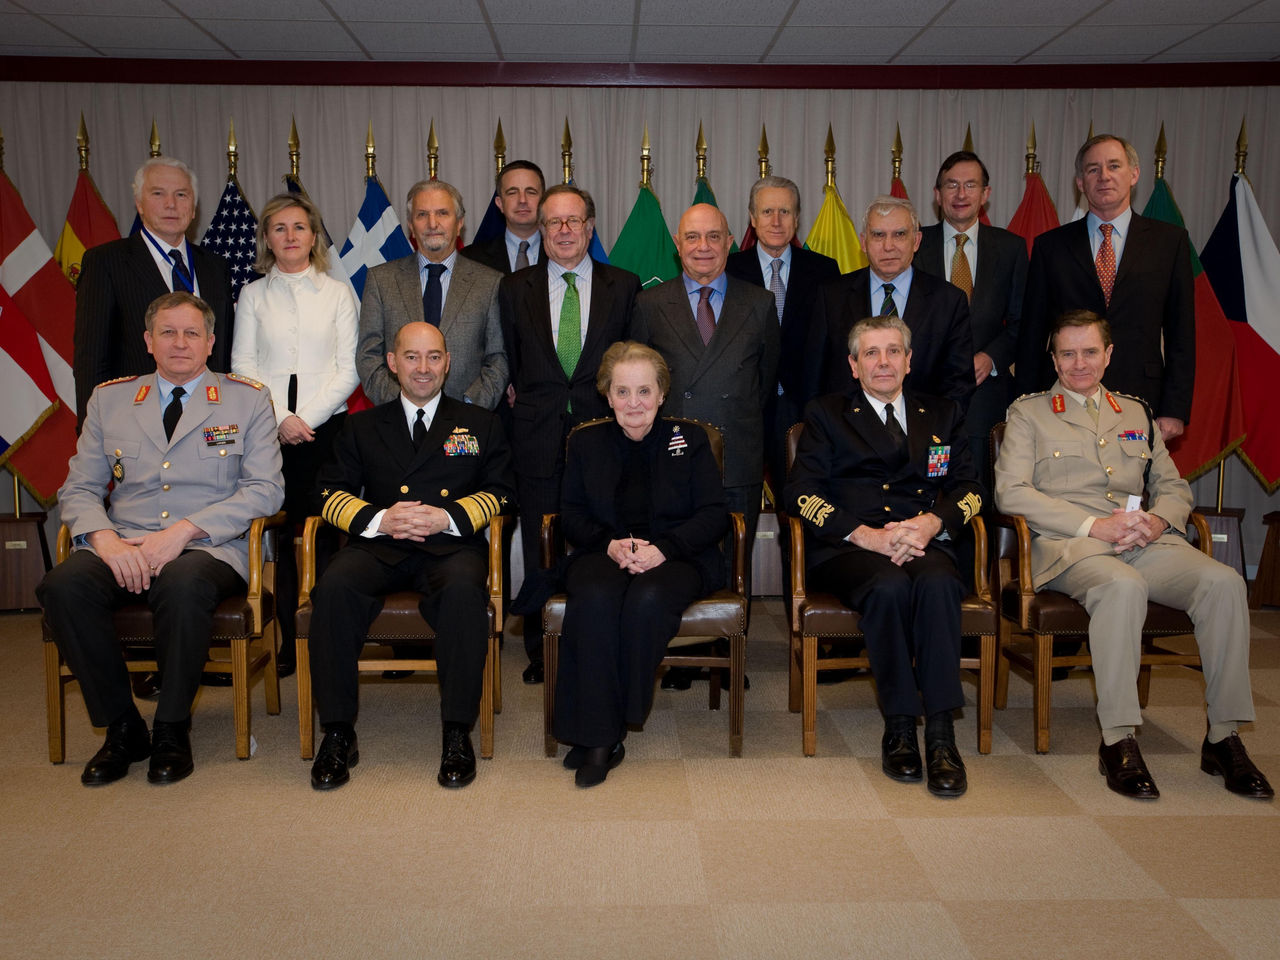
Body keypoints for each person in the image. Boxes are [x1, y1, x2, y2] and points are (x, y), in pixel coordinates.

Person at [995, 310, 1271, 800]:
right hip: (1073, 546)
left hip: (1143, 540)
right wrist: (1094, 525)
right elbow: (1011, 493)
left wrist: (1159, 521)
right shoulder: (1029, 413)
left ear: (1109, 354)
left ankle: (1223, 736)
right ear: (1053, 357)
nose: (1079, 363)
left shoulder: (1136, 412)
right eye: (1067, 353)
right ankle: (1118, 738)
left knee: (1225, 583)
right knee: (1123, 588)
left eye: (1089, 352)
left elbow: (1172, 486)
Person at [37, 292, 284, 787]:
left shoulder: (247, 398)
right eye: (168, 332)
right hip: (121, 541)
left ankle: (172, 727)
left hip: (208, 546)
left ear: (211, 342)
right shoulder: (110, 399)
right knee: (62, 586)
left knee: (184, 582)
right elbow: (80, 488)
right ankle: (124, 728)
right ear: (148, 342)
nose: (180, 343)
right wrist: (104, 540)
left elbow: (266, 489)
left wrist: (184, 532)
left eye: (192, 333)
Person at [306, 322, 515, 791]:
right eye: (413, 357)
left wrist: (448, 517)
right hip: (379, 544)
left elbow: (503, 492)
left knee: (464, 592)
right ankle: (338, 732)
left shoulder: (480, 422)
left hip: (450, 545)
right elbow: (326, 491)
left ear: (448, 362)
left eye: (434, 357)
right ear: (393, 364)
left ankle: (457, 731)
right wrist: (380, 519)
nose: (424, 368)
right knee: (335, 587)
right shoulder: (360, 425)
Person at [786, 315, 983, 797]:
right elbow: (799, 493)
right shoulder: (826, 413)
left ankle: (940, 732)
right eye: (870, 353)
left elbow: (973, 488)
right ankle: (899, 724)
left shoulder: (942, 413)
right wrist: (864, 535)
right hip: (852, 548)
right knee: (888, 586)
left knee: (938, 583)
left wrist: (932, 523)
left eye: (893, 351)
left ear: (909, 360)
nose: (883, 362)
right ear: (853, 366)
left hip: (922, 540)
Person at [555, 342, 728, 787]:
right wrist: (609, 544)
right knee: (593, 598)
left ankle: (608, 727)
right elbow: (570, 514)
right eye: (623, 391)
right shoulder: (586, 441)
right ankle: (600, 735)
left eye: (644, 391)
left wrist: (664, 548)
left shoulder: (689, 440)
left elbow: (714, 514)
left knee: (647, 599)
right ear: (607, 396)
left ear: (662, 394)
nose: (634, 403)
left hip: (677, 554)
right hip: (604, 551)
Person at [498, 184, 640, 684]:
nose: (563, 231)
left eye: (573, 221)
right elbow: (512, 362)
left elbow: (631, 363)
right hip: (535, 434)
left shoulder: (623, 285)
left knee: (600, 536)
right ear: (541, 229)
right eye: (553, 222)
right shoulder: (515, 288)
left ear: (590, 226)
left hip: (602, 436)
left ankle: (599, 636)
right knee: (542, 540)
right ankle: (542, 650)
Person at [230, 193, 358, 678]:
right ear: (266, 238)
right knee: (282, 541)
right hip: (268, 433)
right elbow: (242, 365)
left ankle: (328, 634)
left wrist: (308, 418)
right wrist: (281, 417)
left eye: (299, 227)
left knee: (326, 538)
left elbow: (349, 369)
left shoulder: (338, 293)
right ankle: (288, 641)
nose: (289, 236)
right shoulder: (253, 294)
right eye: (279, 228)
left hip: (327, 433)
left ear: (313, 236)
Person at [632, 202, 779, 600]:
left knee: (735, 567)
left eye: (714, 236)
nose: (703, 246)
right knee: (673, 562)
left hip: (738, 456)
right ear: (677, 244)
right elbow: (639, 384)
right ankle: (679, 656)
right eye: (692, 237)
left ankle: (730, 658)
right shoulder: (649, 304)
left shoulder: (760, 304)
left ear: (730, 243)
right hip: (672, 458)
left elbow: (763, 382)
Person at [1016, 134, 1194, 443]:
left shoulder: (1170, 243)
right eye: (1093, 169)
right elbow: (1032, 334)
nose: (1104, 176)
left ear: (1134, 174)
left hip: (1142, 398)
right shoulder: (1051, 246)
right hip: (1063, 400)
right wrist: (1026, 404)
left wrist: (1174, 408)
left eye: (1114, 166)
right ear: (1080, 182)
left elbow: (1182, 333)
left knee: (1135, 491)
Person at [74, 156, 234, 427]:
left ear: (194, 207)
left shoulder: (216, 267)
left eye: (181, 194)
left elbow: (223, 351)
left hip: (209, 421)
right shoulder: (106, 262)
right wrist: (94, 430)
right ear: (139, 204)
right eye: (158, 193)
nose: (171, 204)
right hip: (135, 423)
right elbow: (91, 358)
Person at [725, 175, 840, 499]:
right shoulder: (729, 271)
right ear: (752, 218)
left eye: (785, 212)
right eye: (767, 212)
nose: (776, 221)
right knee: (738, 500)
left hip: (801, 407)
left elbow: (832, 345)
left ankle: (797, 553)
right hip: (744, 405)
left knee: (801, 503)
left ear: (798, 218)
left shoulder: (824, 271)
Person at [916, 151, 1028, 480]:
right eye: (952, 185)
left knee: (980, 491)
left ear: (985, 194)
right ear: (937, 194)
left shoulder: (1011, 248)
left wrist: (991, 357)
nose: (961, 194)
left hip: (985, 398)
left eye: (970, 185)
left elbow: (1023, 322)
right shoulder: (914, 245)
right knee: (928, 486)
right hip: (925, 396)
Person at [356, 179, 507, 411]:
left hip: (465, 419)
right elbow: (368, 355)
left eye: (442, 213)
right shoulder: (381, 281)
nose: (432, 223)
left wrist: (469, 407)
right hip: (398, 422)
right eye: (422, 214)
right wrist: (403, 407)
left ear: (459, 224)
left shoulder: (490, 283)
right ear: (410, 226)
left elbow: (498, 358)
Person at [815, 195, 975, 412]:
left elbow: (958, 384)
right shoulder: (831, 296)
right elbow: (815, 379)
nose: (888, 246)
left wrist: (933, 433)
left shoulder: (948, 300)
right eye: (878, 235)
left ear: (916, 241)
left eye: (899, 234)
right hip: (847, 435)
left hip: (923, 433)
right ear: (863, 242)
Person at [461, 160, 545, 275]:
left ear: (544, 202)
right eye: (512, 193)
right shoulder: (469, 259)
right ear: (500, 203)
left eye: (531, 192)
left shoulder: (563, 253)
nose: (522, 200)